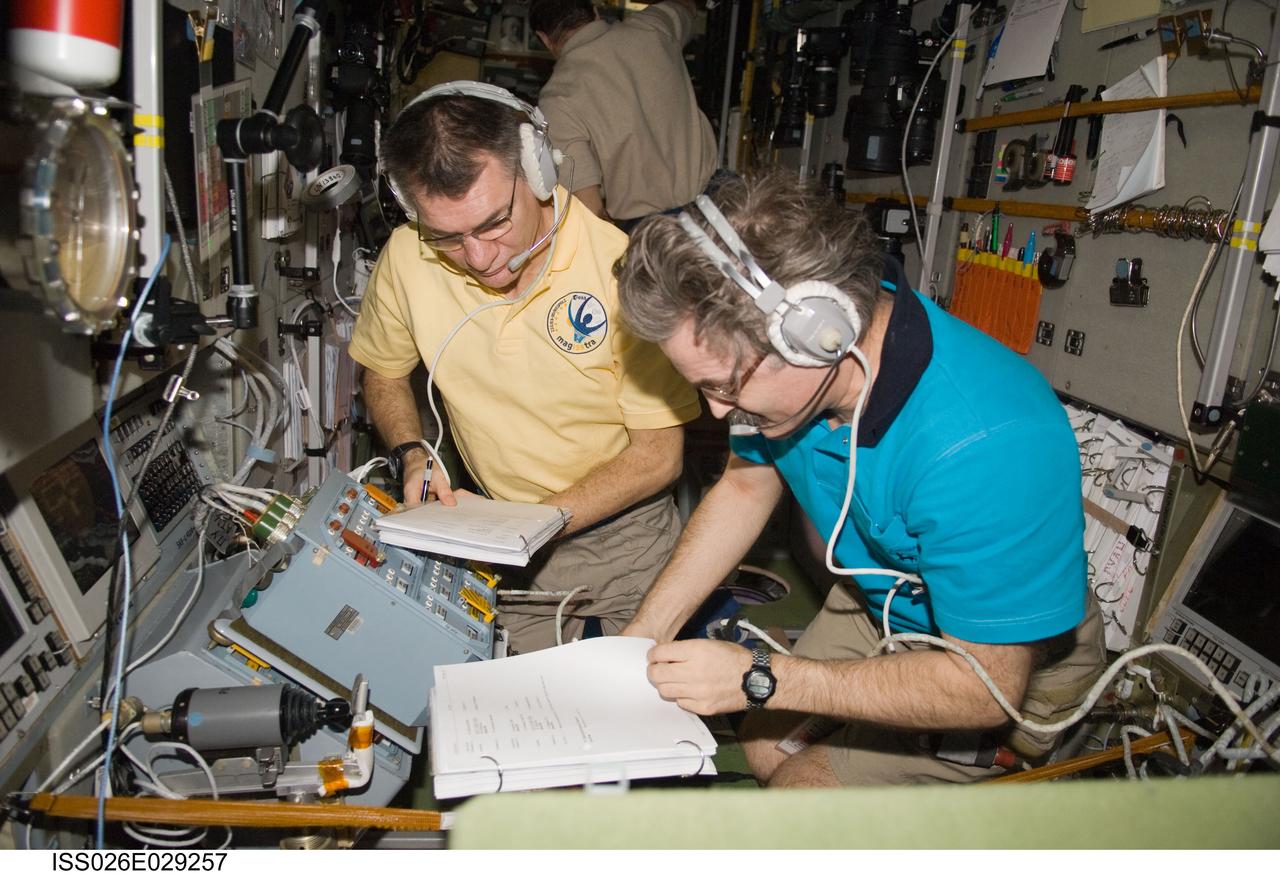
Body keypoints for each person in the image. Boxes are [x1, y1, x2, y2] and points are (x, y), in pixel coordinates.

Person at [614, 173, 1105, 787]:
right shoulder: (795, 377)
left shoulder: (986, 442)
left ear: (822, 332)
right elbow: (745, 485)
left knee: (799, 786)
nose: (715, 410)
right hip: (883, 595)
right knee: (767, 749)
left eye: (724, 385)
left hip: (996, 662)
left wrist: (759, 674)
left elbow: (983, 687)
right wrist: (641, 636)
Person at [350, 82, 701, 653]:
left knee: (642, 712)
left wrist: (528, 524)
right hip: (500, 534)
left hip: (625, 536)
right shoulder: (407, 257)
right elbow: (384, 371)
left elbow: (659, 455)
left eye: (493, 223)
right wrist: (411, 451)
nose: (481, 257)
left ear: (539, 172)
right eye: (447, 236)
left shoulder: (619, 272)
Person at [529, 0, 717, 225]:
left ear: (544, 38)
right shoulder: (654, 25)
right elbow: (686, 6)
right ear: (595, 12)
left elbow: (590, 209)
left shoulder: (556, 98)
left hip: (652, 232)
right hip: (717, 210)